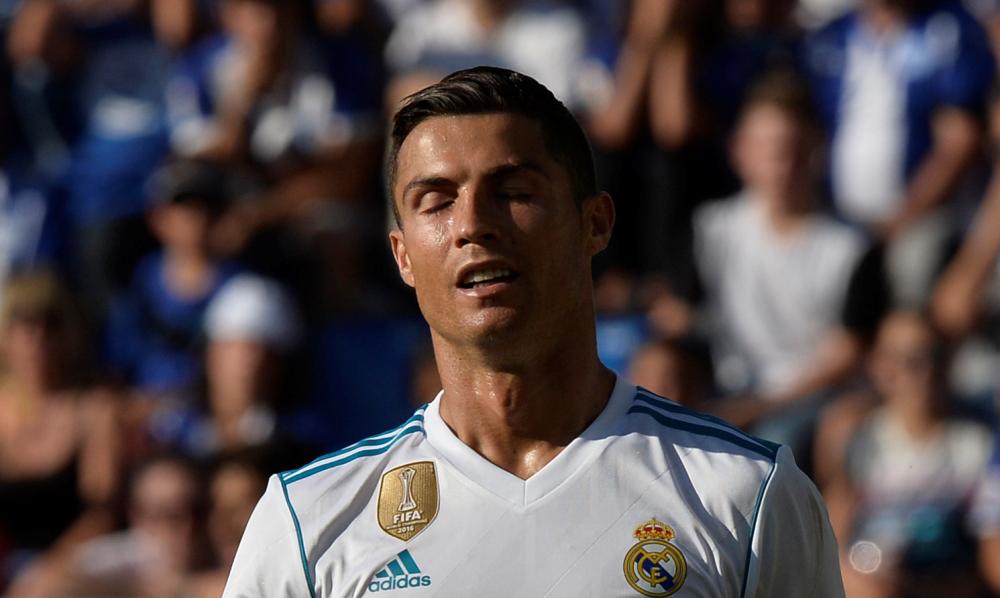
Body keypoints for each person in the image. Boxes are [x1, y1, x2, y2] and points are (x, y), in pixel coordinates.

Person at [223, 66, 843, 597]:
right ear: (402, 256)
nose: (472, 224)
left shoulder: (747, 495)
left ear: (595, 223)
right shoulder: (309, 520)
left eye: (513, 191)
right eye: (436, 201)